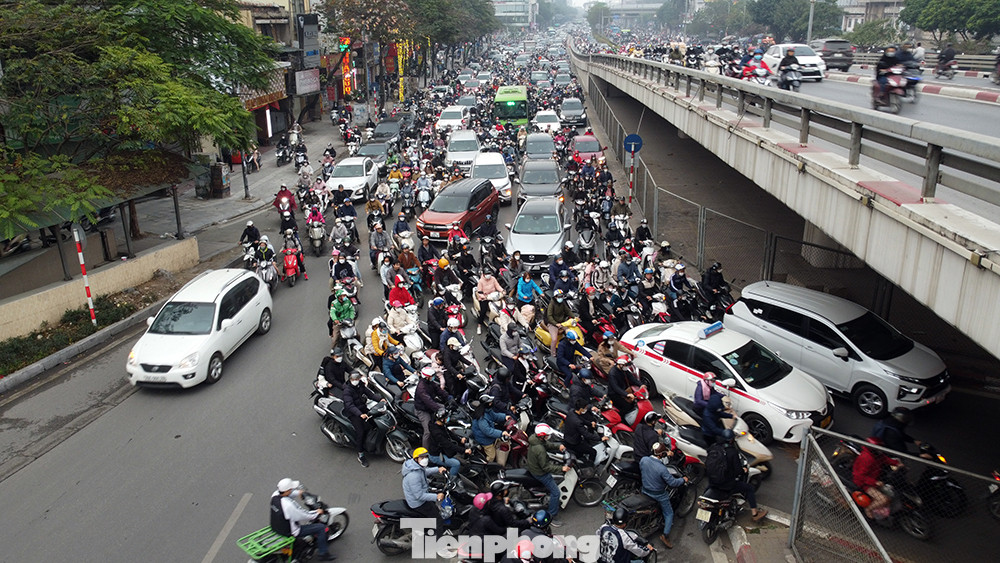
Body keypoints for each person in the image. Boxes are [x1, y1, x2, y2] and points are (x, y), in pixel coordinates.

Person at [708, 430, 768, 521]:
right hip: (727, 484)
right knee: (749, 488)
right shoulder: (732, 451)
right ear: (731, 440)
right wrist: (743, 470)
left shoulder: (714, 447)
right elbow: (738, 471)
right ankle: (755, 514)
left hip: (712, 481)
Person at [270, 478, 336, 561]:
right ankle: (323, 554)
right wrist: (317, 513)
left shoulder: (275, 495)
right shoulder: (288, 506)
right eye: (291, 489)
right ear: (287, 490)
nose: (291, 490)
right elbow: (303, 515)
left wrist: (299, 492)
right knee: (321, 528)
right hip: (291, 531)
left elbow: (287, 494)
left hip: (276, 527)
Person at [639, 442, 690, 549]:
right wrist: (682, 479)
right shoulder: (662, 469)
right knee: (669, 513)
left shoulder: (644, 460)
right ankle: (665, 535)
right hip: (658, 494)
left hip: (645, 489)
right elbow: (672, 483)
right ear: (662, 455)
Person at [526, 423, 569, 527]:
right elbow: (546, 468)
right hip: (540, 473)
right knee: (556, 493)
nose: (548, 436)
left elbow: (547, 445)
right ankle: (552, 515)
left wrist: (558, 446)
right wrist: (561, 468)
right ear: (542, 436)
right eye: (547, 435)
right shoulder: (540, 450)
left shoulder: (535, 439)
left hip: (532, 467)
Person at [852, 436, 900, 519]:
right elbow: (860, 476)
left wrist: (896, 463)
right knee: (883, 499)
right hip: (864, 483)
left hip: (874, 478)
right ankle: (868, 509)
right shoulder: (867, 458)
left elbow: (885, 459)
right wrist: (874, 482)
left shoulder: (876, 454)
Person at [402, 447, 449, 525]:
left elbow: (424, 472)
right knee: (438, 520)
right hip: (418, 503)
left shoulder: (414, 466)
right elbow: (419, 496)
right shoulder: (413, 476)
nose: (425, 459)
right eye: (422, 457)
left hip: (420, 494)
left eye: (426, 457)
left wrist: (437, 469)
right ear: (416, 459)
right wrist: (436, 497)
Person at [344, 371, 382, 467]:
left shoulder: (360, 385)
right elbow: (350, 405)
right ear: (350, 380)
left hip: (363, 409)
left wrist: (380, 399)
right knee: (360, 432)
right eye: (354, 380)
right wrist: (360, 414)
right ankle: (360, 454)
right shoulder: (347, 391)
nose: (356, 381)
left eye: (357, 379)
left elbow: (370, 394)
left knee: (375, 422)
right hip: (354, 413)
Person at [428, 408, 470, 477]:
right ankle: (451, 480)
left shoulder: (440, 425)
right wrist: (464, 450)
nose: (448, 419)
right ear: (442, 419)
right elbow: (448, 445)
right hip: (436, 455)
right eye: (446, 418)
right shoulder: (437, 433)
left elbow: (449, 433)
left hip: (442, 451)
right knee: (456, 464)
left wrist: (460, 439)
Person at [415, 367, 450, 448]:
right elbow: (429, 402)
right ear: (427, 377)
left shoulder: (430, 382)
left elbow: (438, 390)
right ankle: (426, 451)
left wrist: (448, 397)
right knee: (428, 431)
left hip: (431, 406)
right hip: (423, 410)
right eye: (432, 376)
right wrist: (439, 409)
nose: (433, 377)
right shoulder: (422, 388)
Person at [564, 399, 605, 465]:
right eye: (585, 408)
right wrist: (600, 438)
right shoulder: (578, 422)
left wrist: (590, 423)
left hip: (568, 437)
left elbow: (581, 419)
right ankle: (590, 466)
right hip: (574, 443)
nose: (586, 409)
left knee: (581, 454)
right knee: (593, 452)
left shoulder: (571, 412)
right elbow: (586, 434)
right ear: (581, 409)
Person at [472, 398, 509, 462]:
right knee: (492, 456)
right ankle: (486, 467)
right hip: (484, 439)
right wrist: (501, 433)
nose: (491, 404)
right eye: (490, 403)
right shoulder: (482, 419)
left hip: (489, 437)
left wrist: (504, 417)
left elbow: (495, 416)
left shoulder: (487, 410)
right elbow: (488, 431)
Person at [546, 289, 574, 357]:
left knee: (570, 332)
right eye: (559, 297)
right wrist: (555, 323)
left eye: (561, 296)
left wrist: (574, 317)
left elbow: (568, 311)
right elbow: (549, 316)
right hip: (553, 324)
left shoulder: (563, 303)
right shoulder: (551, 304)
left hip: (562, 322)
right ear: (555, 297)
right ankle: (553, 354)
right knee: (554, 339)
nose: (560, 298)